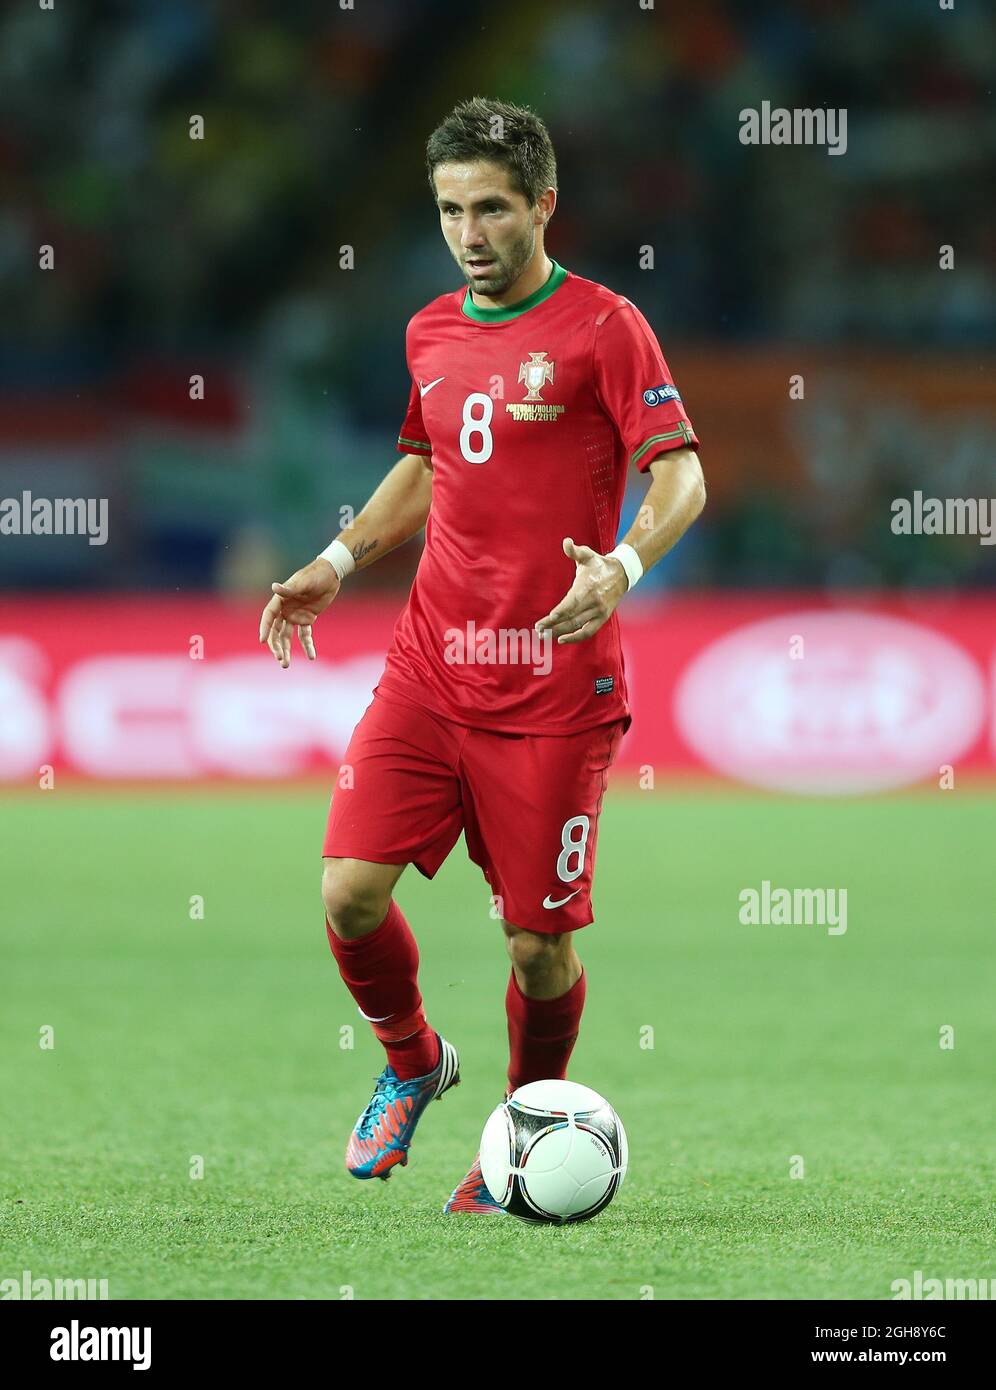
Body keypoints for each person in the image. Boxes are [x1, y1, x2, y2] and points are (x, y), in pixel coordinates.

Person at [258, 97, 706, 1213]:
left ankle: (521, 1134)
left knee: (537, 952)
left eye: (494, 208)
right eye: (452, 209)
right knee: (348, 892)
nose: (470, 232)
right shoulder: (429, 332)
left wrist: (624, 565)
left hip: (557, 689)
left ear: (543, 205)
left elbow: (683, 476)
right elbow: (425, 468)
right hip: (430, 668)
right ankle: (413, 1060)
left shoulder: (607, 328)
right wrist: (337, 556)